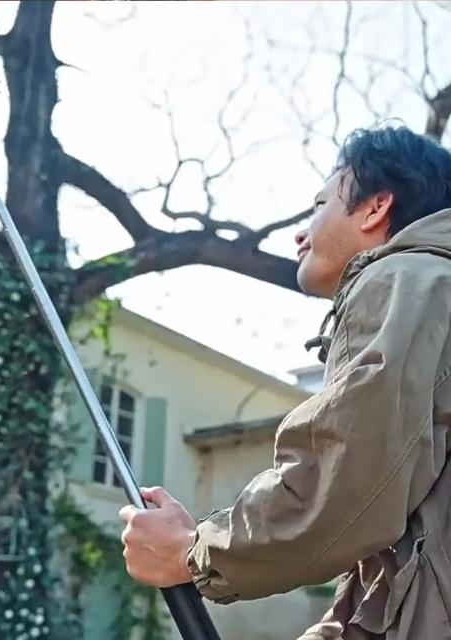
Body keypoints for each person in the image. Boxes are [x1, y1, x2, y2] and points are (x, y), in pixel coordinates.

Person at [119, 125, 451, 640]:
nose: (301, 235)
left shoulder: (406, 280)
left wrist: (191, 552)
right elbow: (400, 566)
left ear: (375, 207)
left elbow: (342, 482)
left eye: (320, 205)